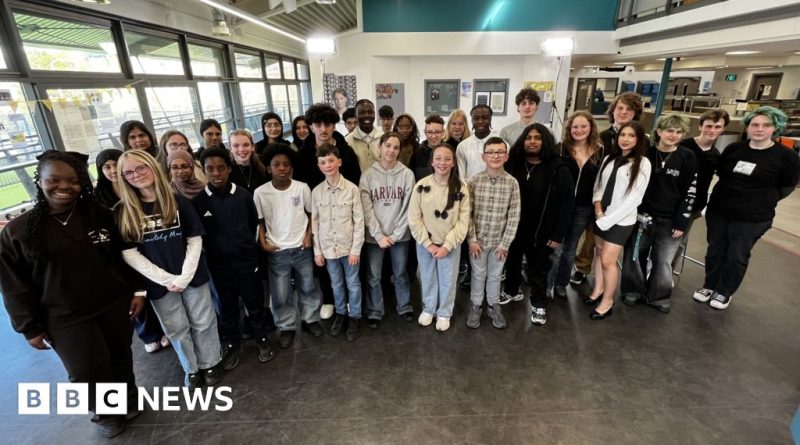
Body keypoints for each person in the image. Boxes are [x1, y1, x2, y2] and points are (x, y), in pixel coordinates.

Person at [0, 151, 145, 438]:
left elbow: (125, 255)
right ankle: (106, 413)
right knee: (87, 368)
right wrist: (29, 327)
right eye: (54, 180)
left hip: (113, 303)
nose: (63, 186)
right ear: (39, 181)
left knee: (119, 356)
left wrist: (138, 290)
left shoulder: (101, 216)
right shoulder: (17, 232)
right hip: (63, 316)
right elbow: (14, 285)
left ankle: (127, 401)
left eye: (73, 180)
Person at [115, 150, 223, 389]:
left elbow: (195, 239)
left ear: (152, 167)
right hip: (159, 284)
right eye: (129, 172)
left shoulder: (178, 201)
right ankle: (191, 368)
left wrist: (184, 277)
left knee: (203, 321)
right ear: (123, 178)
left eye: (141, 168)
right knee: (176, 328)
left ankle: (211, 362)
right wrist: (166, 279)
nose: (136, 175)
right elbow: (129, 253)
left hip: (193, 276)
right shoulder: (124, 211)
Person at [693, 106, 799, 310]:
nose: (760, 129)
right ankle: (710, 285)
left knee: (737, 254)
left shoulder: (786, 157)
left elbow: (786, 187)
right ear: (748, 127)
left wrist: (761, 200)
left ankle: (724, 291)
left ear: (775, 128)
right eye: (755, 124)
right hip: (720, 211)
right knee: (715, 250)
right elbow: (723, 175)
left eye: (766, 125)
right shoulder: (734, 149)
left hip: (753, 217)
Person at [193, 147, 276, 366]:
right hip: (219, 266)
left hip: (246, 262)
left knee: (254, 303)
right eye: (210, 169)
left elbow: (252, 225)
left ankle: (261, 338)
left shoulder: (243, 196)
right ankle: (233, 344)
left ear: (229, 168)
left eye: (221, 168)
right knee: (227, 307)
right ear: (204, 171)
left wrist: (246, 247)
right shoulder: (199, 201)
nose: (216, 173)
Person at [621, 114, 697, 313]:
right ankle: (633, 290)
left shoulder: (687, 157)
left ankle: (659, 296)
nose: (674, 135)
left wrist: (682, 222)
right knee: (635, 255)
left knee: (663, 260)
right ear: (659, 131)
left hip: (670, 219)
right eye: (670, 131)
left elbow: (690, 192)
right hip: (642, 216)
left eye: (679, 132)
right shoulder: (646, 155)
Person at [96, 149, 169, 353]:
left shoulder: (142, 190)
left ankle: (162, 331)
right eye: (106, 167)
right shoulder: (102, 199)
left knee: (155, 295)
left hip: (148, 251)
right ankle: (149, 334)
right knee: (136, 298)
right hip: (125, 254)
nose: (112, 171)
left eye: (114, 165)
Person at [571, 92, 647, 287]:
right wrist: (598, 205)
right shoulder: (600, 137)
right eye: (620, 108)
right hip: (596, 197)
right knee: (591, 241)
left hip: (624, 205)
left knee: (610, 255)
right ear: (612, 110)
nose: (623, 112)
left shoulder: (643, 142)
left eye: (629, 109)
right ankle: (582, 269)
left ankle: (620, 287)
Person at [501, 124, 574, 326]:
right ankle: (511, 290)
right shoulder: (513, 164)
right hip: (514, 227)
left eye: (538, 138)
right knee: (512, 262)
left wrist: (558, 234)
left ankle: (539, 304)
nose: (532, 141)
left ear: (545, 141)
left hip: (542, 230)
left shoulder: (558, 168)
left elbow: (567, 203)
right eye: (528, 137)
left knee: (538, 269)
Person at [295, 103, 362, 320]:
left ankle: (352, 306)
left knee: (349, 272)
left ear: (334, 125)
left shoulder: (347, 151)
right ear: (311, 126)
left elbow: (355, 180)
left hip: (343, 213)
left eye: (328, 124)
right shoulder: (303, 154)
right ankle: (330, 300)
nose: (323, 129)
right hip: (316, 212)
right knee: (324, 263)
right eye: (318, 124)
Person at [254, 144, 324, 348]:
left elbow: (312, 215)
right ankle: (286, 326)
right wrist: (263, 243)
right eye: (276, 165)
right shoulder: (260, 193)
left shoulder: (301, 188)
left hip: (302, 248)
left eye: (286, 164)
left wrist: (308, 236)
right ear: (269, 168)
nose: (282, 168)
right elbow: (259, 221)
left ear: (292, 167)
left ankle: (311, 319)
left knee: (308, 286)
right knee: (280, 292)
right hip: (277, 251)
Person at [585, 121, 652, 320]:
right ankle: (598, 290)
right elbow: (599, 186)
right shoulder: (609, 159)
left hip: (621, 221)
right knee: (598, 253)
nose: (626, 139)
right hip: (601, 215)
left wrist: (608, 219)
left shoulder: (643, 163)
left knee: (608, 261)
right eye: (623, 135)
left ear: (639, 139)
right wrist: (598, 210)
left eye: (631, 135)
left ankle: (607, 301)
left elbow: (635, 199)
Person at [408, 143, 470, 332]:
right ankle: (429, 309)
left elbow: (462, 221)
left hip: (450, 245)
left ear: (453, 163)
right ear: (432, 162)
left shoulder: (461, 187)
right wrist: (427, 243)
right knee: (427, 277)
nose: (442, 162)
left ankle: (444, 312)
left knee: (448, 280)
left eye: (447, 159)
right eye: (438, 158)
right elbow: (414, 218)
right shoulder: (421, 186)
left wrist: (447, 245)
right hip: (425, 244)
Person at [359, 132, 416, 328]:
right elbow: (366, 209)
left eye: (396, 147)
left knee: (400, 273)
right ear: (380, 147)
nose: (391, 150)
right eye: (388, 145)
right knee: (374, 276)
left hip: (400, 236)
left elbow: (409, 207)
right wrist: (379, 235)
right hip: (375, 237)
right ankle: (375, 310)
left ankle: (405, 306)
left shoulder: (407, 174)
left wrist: (395, 235)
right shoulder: (367, 175)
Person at [311, 143, 365, 342]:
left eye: (331, 161)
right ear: (319, 166)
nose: (328, 165)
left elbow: (359, 222)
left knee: (353, 283)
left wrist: (356, 250)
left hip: (349, 249)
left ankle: (355, 316)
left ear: (339, 162)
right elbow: (314, 224)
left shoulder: (352, 189)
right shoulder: (316, 192)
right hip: (328, 249)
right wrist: (317, 251)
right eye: (323, 162)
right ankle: (341, 314)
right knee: (336, 284)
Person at [465, 137, 520, 329]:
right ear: (483, 157)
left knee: (495, 275)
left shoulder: (512, 183)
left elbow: (513, 216)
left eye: (499, 152)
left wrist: (505, 243)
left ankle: (493, 305)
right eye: (490, 152)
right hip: (477, 242)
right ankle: (476, 305)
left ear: (506, 156)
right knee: (478, 274)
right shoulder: (473, 182)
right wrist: (471, 239)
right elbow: (467, 214)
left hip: (499, 243)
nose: (495, 156)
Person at [550, 112, 603, 299]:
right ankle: (548, 282)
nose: (579, 130)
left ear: (591, 128)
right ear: (569, 129)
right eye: (575, 127)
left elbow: (600, 182)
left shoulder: (599, 151)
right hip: (559, 206)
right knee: (554, 246)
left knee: (570, 247)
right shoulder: (560, 149)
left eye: (583, 126)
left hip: (583, 207)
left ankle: (561, 283)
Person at [672, 108, 729, 271]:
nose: (712, 131)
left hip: (694, 206)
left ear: (723, 129)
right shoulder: (683, 146)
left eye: (717, 127)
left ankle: (667, 273)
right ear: (700, 126)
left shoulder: (716, 155)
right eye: (709, 126)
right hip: (672, 202)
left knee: (678, 242)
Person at [346, 99, 383, 173]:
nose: (366, 115)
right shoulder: (347, 141)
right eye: (362, 113)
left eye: (370, 112)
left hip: (382, 184)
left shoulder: (384, 138)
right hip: (357, 184)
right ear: (356, 116)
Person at [228, 129, 269, 193]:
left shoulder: (263, 164)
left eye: (246, 145)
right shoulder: (227, 171)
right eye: (236, 146)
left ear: (252, 147)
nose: (241, 149)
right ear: (231, 149)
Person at [410, 114, 445, 181]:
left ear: (443, 132)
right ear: (425, 132)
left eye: (437, 132)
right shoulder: (416, 154)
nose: (433, 136)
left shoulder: (450, 153)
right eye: (430, 132)